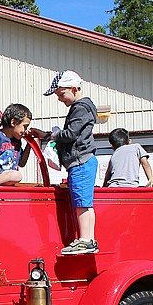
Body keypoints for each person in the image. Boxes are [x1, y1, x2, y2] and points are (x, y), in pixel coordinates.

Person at [31, 70, 99, 255]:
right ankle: (86, 238)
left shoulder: (80, 108)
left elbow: (70, 134)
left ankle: (87, 240)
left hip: (80, 161)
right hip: (80, 161)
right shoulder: (82, 107)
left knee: (82, 201)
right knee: (81, 200)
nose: (60, 99)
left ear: (75, 88)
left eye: (62, 94)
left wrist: (52, 135)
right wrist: (46, 135)